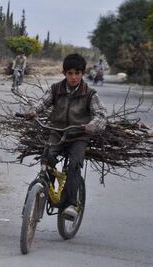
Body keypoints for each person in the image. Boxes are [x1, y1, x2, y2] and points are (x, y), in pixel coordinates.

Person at [25, 53, 107, 219]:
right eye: (70, 73)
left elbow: (101, 115)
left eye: (77, 73)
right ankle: (46, 191)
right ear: (64, 73)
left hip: (78, 136)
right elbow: (42, 102)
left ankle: (70, 203)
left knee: (75, 165)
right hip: (57, 132)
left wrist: (92, 125)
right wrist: (32, 111)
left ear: (83, 74)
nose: (73, 77)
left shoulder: (90, 94)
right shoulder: (56, 89)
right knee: (47, 159)